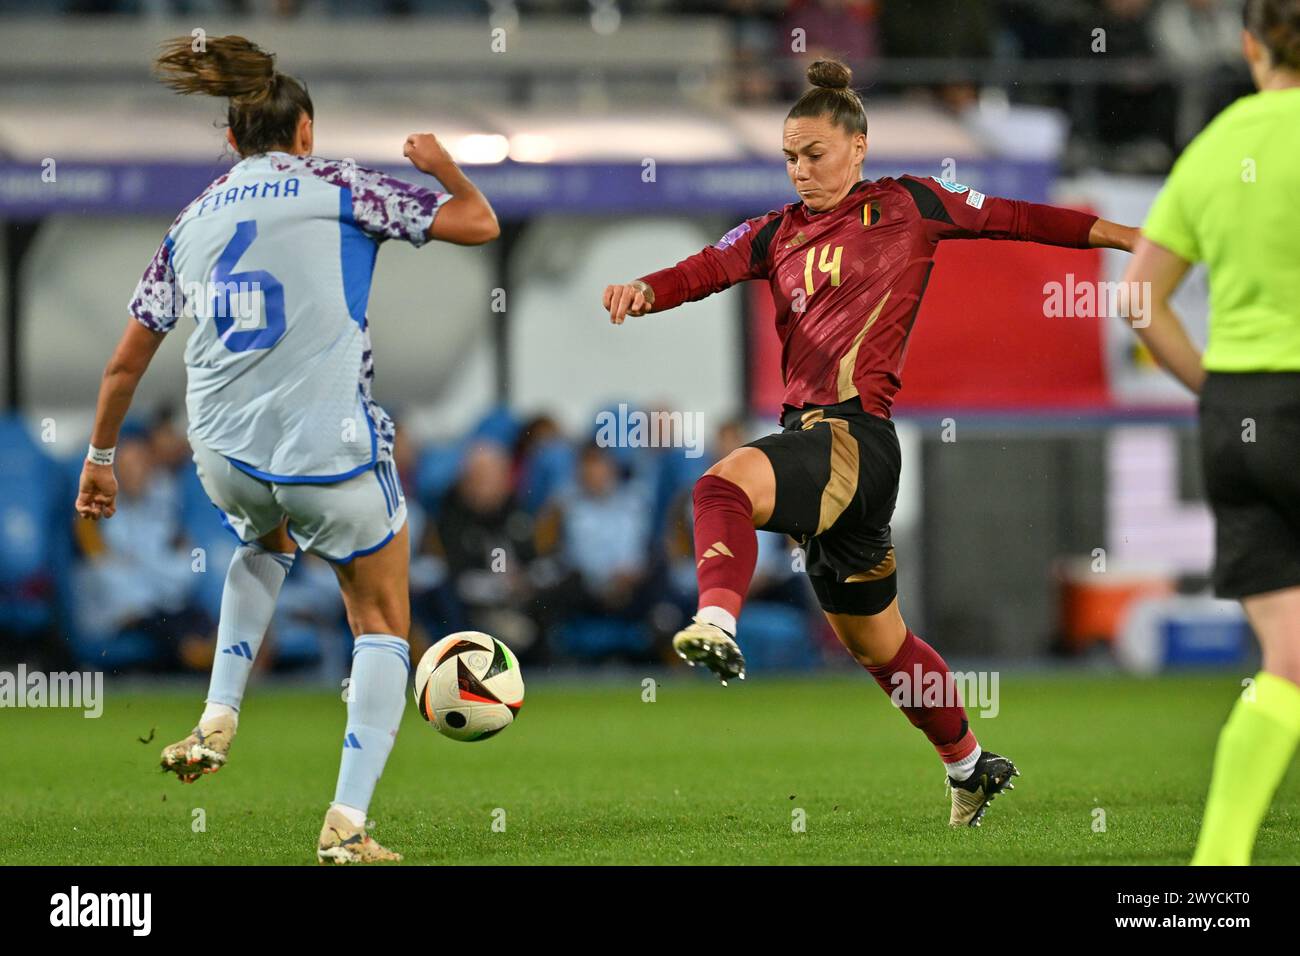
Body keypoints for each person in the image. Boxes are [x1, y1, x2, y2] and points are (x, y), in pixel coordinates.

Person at [601, 58, 1138, 828]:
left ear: (857, 146)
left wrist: (1123, 235)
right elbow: (707, 267)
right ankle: (970, 765)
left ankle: (717, 621)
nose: (799, 170)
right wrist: (645, 289)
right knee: (881, 646)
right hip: (827, 454)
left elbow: (1021, 217)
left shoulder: (911, 203)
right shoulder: (775, 233)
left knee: (719, 487)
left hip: (851, 436)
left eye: (813, 153)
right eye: (789, 157)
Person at [73, 35, 498, 863]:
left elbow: (126, 361)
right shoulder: (339, 185)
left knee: (263, 542)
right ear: (306, 132)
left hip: (223, 451)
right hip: (328, 446)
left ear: (230, 141)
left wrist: (97, 460)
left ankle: (219, 712)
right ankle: (346, 824)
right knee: (380, 621)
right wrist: (444, 166)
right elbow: (479, 225)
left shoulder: (191, 221)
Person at [1121, 0, 1300, 865]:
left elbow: (1139, 302)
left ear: (1249, 42)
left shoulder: (1220, 141)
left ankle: (1216, 876)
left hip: (1241, 420)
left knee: (1289, 658)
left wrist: (1215, 390)